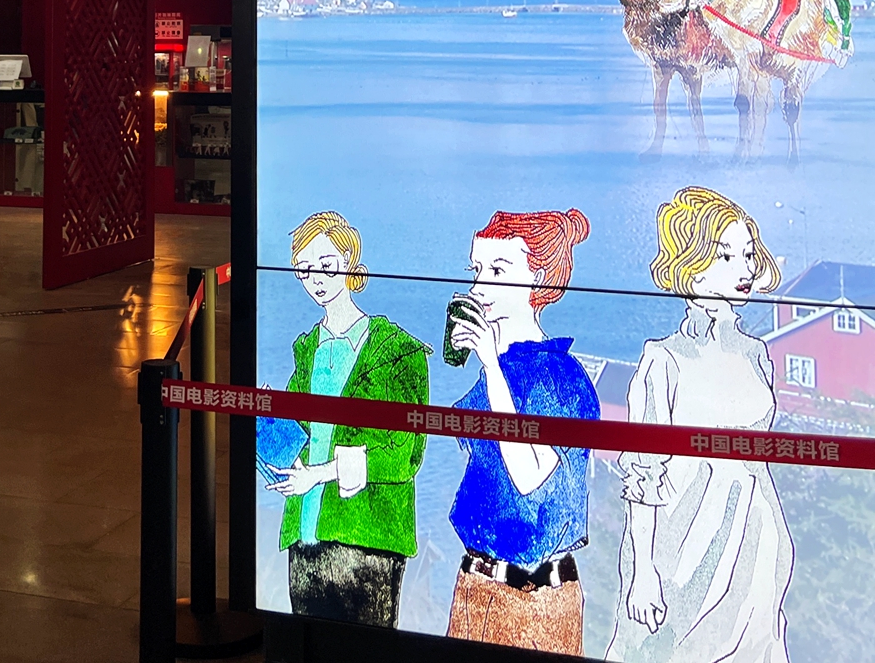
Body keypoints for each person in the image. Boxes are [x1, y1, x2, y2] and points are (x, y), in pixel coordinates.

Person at [608, 186, 794, 663]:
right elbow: (644, 472)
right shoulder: (663, 359)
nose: (744, 269)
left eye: (748, 254)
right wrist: (643, 571)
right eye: (726, 256)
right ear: (691, 266)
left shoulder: (757, 354)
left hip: (756, 545)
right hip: (684, 550)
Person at [444, 209, 600, 652]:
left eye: (498, 271)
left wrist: (491, 366)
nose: (479, 288)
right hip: (475, 586)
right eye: (477, 270)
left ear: (539, 280)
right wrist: (488, 364)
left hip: (537, 601)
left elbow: (529, 477)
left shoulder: (560, 375)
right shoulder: (499, 368)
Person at [269, 210, 429, 629]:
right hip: (305, 535)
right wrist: (268, 427)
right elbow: (294, 432)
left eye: (326, 265)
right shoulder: (307, 349)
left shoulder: (396, 350)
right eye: (304, 270)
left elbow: (402, 454)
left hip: (368, 541)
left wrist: (319, 474)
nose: (316, 279)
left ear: (348, 261)